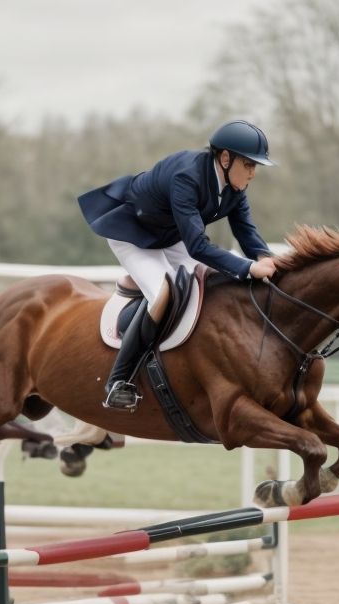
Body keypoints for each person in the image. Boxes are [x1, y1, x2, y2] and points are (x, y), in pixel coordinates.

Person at [78, 120, 280, 411]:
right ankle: (119, 381)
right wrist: (248, 269)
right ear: (225, 158)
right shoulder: (187, 177)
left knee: (208, 284)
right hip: (134, 234)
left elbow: (246, 231)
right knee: (164, 293)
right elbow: (198, 246)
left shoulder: (234, 186)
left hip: (172, 235)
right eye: (249, 164)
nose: (253, 172)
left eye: (255, 166)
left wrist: (263, 258)